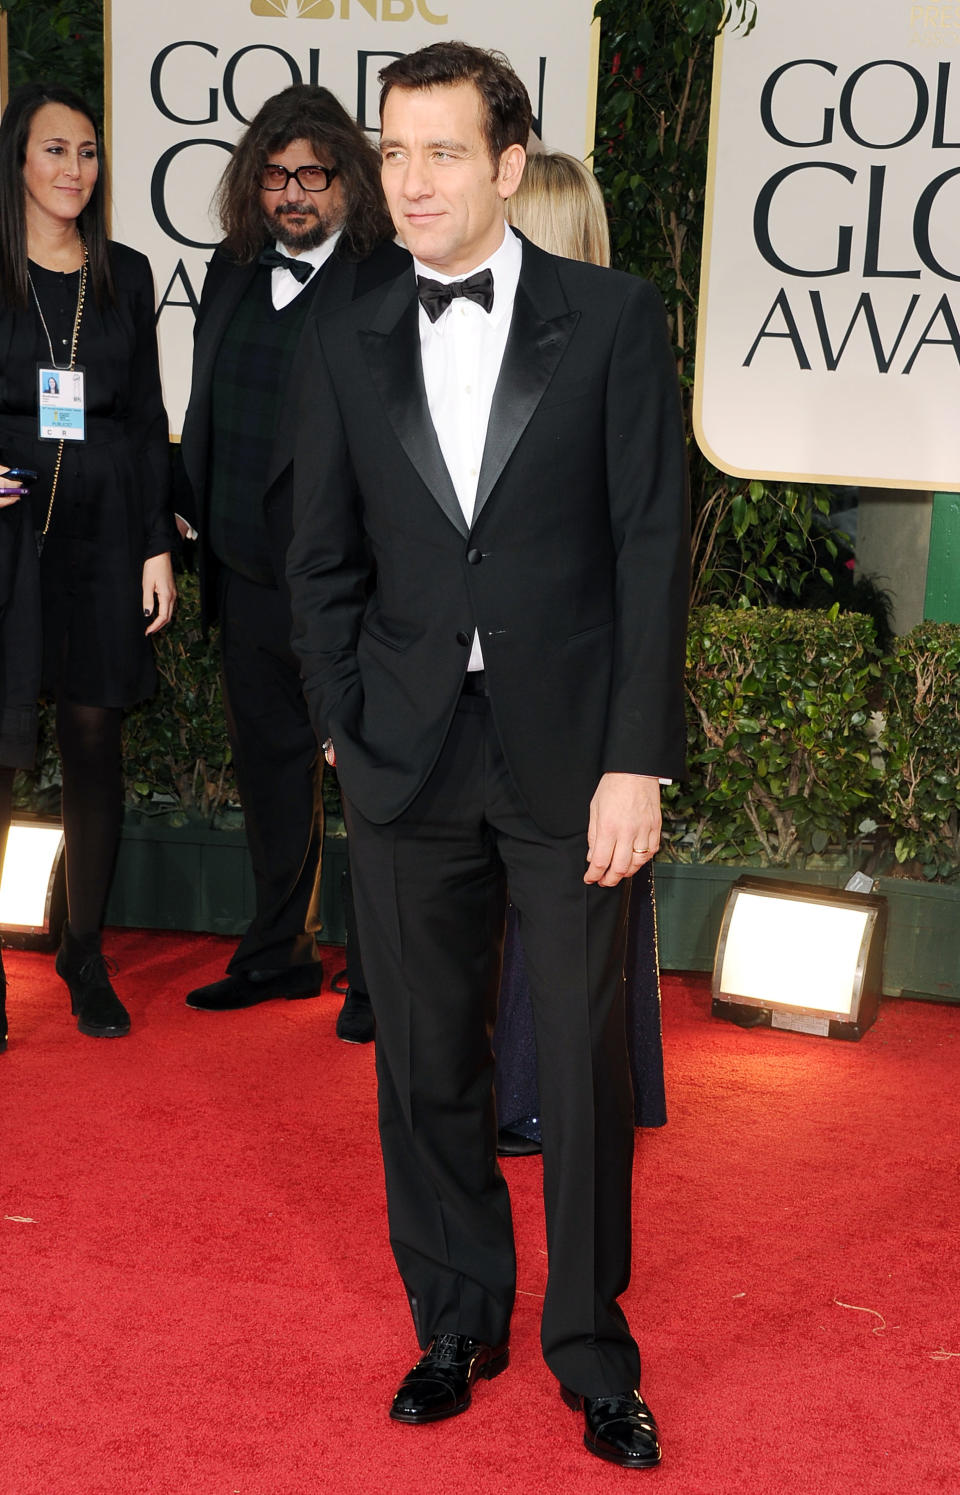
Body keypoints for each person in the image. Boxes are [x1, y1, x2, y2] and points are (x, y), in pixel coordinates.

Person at [287, 41, 689, 1469]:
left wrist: (635, 757)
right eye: (393, 153)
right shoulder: (344, 329)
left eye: (442, 152)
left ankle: (592, 1348)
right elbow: (317, 555)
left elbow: (650, 550)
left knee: (577, 1072)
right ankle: (455, 1315)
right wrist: (343, 712)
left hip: (575, 757)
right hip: (402, 754)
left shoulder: (614, 317)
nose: (411, 181)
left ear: (510, 166)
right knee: (423, 1064)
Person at [177, 85, 407, 1024]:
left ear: (349, 179)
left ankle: (383, 977)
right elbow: (206, 414)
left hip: (345, 584)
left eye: (313, 174)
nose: (293, 194)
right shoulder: (230, 271)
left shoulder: (386, 278)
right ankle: (279, 951)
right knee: (272, 773)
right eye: (275, 176)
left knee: (371, 783)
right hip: (243, 573)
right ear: (253, 184)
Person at [495, 149, 667, 1157]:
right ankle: (553, 1089)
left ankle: (540, 1092)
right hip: (579, 686)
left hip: (575, 688)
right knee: (576, 901)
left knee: (566, 900)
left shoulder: (603, 353)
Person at [0, 82, 176, 1045]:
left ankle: (83, 948)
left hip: (106, 533)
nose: (75, 169)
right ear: (17, 162)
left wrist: (157, 539)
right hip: (6, 534)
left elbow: (147, 415)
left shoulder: (127, 271)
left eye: (89, 152)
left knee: (93, 741)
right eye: (55, 150)